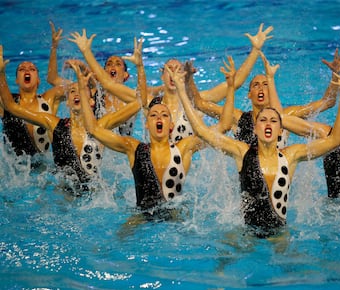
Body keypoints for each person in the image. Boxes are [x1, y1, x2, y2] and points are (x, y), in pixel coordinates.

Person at [168, 63, 340, 237]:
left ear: (282, 129)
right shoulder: (241, 147)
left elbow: (335, 139)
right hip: (246, 231)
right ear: (255, 127)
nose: (268, 125)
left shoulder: (290, 153)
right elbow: (201, 129)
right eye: (263, 121)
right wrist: (182, 87)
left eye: (273, 121)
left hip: (278, 233)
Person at [78, 54, 237, 215]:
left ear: (171, 125)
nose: (159, 118)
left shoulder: (184, 148)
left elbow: (224, 126)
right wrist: (84, 91)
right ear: (146, 124)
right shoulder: (134, 148)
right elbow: (93, 129)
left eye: (164, 115)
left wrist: (230, 89)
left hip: (175, 216)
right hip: (141, 217)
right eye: (153, 115)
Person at [69, 23, 274, 143]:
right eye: (169, 69)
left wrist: (255, 50)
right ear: (162, 75)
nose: (174, 73)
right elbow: (110, 85)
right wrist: (87, 52)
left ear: (184, 76)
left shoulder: (196, 102)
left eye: (178, 69)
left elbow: (235, 83)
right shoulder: (150, 102)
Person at [0, 48, 139, 193]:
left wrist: (140, 68)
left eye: (81, 90)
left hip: (94, 197)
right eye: (72, 91)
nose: (76, 94)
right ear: (67, 101)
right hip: (62, 198)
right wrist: (1, 74)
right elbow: (11, 106)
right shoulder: (54, 124)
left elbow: (138, 101)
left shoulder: (99, 126)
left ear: (91, 101)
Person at [194, 49, 340, 148]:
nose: (260, 88)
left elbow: (328, 102)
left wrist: (335, 75)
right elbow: (200, 104)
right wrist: (187, 80)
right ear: (249, 94)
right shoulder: (237, 118)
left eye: (265, 84)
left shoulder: (286, 117)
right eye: (256, 85)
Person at [0, 32, 67, 157]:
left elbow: (75, 88)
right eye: (21, 69)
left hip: (43, 167)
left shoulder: (49, 98)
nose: (26, 70)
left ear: (38, 80)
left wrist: (54, 47)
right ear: (16, 80)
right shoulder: (6, 101)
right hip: (15, 169)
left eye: (32, 69)